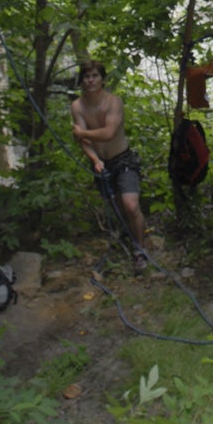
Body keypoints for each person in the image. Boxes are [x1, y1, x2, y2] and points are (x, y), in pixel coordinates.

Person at [70, 60, 147, 273]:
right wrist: (95, 160)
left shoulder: (114, 102)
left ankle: (140, 250)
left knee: (131, 205)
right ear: (82, 80)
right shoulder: (78, 106)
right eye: (87, 76)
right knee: (118, 208)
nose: (91, 80)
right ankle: (129, 234)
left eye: (95, 75)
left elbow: (108, 133)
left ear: (102, 79)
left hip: (123, 159)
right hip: (101, 163)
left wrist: (81, 133)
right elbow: (85, 143)